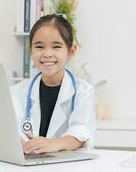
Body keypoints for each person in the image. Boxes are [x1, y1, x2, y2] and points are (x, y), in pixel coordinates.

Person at [10, 14, 96, 155]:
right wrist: (17, 141)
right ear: (30, 50)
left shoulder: (83, 91)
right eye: (39, 46)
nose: (47, 54)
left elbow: (82, 132)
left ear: (71, 51)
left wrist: (54, 143)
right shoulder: (17, 91)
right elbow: (9, 128)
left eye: (56, 46)